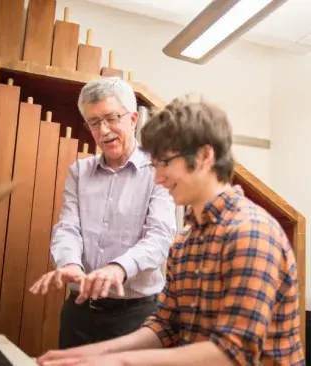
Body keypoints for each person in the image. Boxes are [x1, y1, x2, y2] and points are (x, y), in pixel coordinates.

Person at [36, 94, 305, 365]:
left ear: (204, 155)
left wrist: (119, 361)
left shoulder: (250, 233)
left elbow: (234, 352)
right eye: (155, 165)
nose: (158, 177)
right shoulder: (185, 243)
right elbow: (165, 326)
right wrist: (91, 352)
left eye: (165, 163)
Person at [29, 77, 177, 349]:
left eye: (111, 118)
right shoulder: (79, 171)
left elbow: (160, 237)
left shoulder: (158, 170)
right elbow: (68, 227)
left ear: (133, 119)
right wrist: (69, 263)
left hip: (137, 318)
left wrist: (118, 268)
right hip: (80, 313)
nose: (104, 130)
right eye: (94, 122)